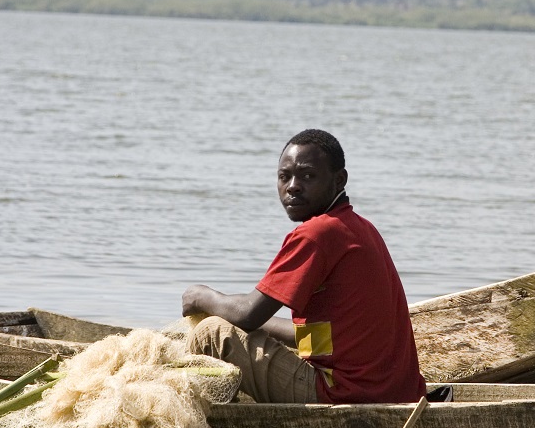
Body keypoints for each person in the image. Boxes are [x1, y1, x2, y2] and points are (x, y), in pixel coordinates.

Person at [181, 129, 425, 405]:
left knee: (212, 332)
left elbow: (248, 314)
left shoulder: (318, 233)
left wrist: (200, 296)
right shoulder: (359, 228)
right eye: (284, 177)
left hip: (341, 394)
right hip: (391, 392)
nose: (293, 186)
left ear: (339, 180)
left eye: (307, 176)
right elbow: (309, 333)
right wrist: (242, 322)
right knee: (229, 323)